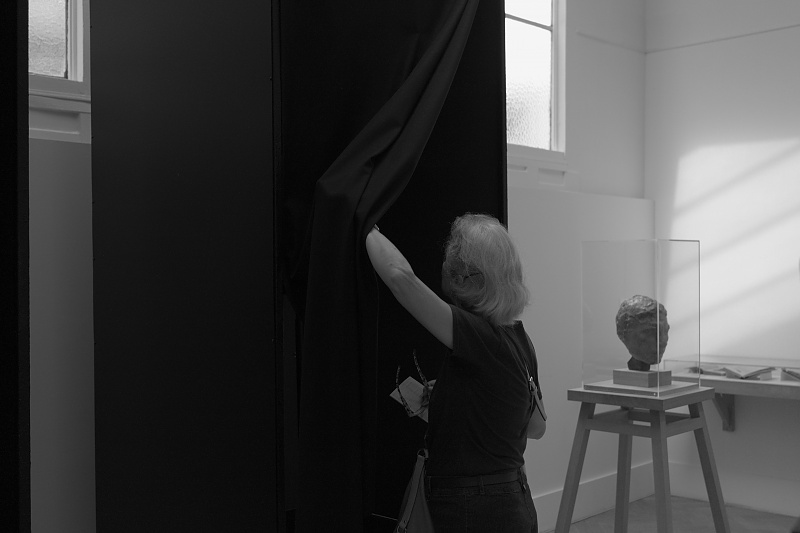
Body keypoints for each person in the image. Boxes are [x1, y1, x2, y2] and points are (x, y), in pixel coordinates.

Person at [366, 213, 545, 533]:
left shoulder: (480, 336)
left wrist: (365, 227)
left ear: (463, 276)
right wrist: (459, 401)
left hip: (474, 508)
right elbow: (535, 426)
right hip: (513, 500)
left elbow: (400, 278)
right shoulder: (518, 338)